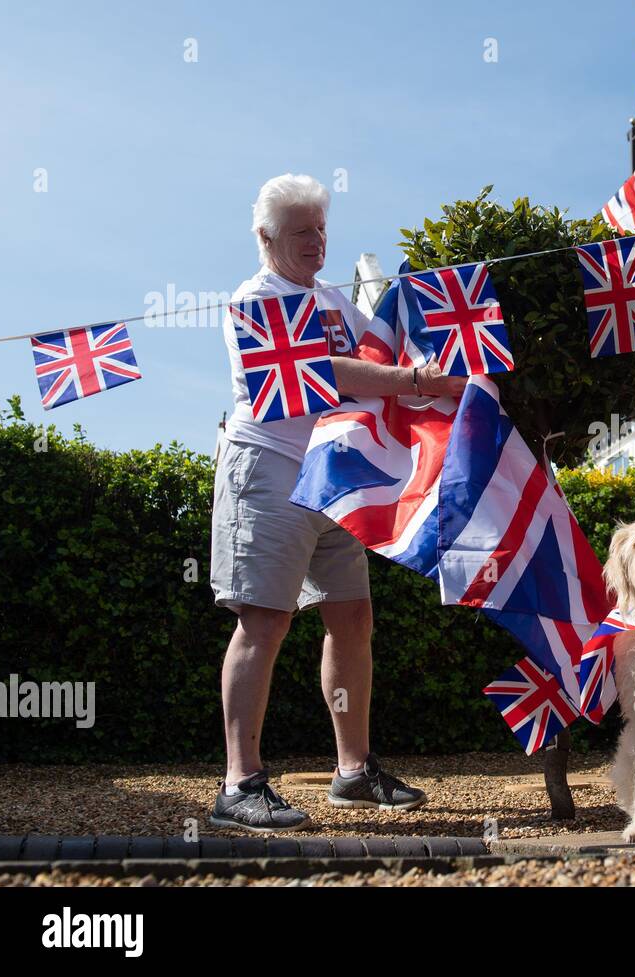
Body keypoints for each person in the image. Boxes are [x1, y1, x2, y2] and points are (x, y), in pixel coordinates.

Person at [208, 173, 465, 832]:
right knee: (264, 622)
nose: (316, 242)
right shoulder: (255, 298)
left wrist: (442, 349)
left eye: (321, 229)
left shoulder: (329, 298)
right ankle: (240, 782)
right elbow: (327, 371)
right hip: (267, 469)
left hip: (332, 477)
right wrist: (411, 379)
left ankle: (353, 771)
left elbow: (377, 341)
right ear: (266, 238)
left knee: (351, 618)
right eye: (301, 233)